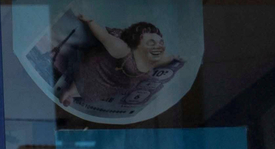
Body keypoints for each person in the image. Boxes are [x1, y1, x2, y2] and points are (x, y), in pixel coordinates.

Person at [58, 16, 186, 114]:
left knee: (85, 93)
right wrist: (89, 20)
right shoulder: (123, 50)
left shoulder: (152, 61)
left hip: (107, 88)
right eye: (151, 43)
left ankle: (72, 94)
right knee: (78, 86)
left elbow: (163, 60)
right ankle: (69, 92)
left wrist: (174, 58)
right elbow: (104, 37)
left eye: (160, 43)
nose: (158, 46)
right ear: (137, 44)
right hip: (96, 73)